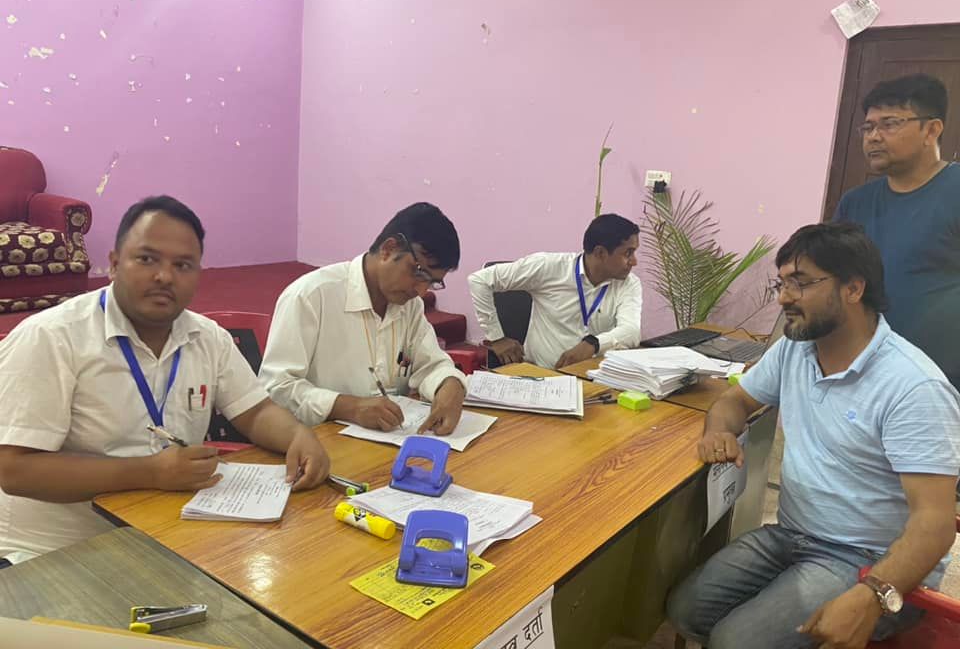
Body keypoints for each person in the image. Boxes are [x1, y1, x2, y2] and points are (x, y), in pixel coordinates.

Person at [667, 222, 960, 649]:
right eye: (782, 283)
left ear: (853, 288)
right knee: (685, 610)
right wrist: (719, 431)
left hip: (871, 559)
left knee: (736, 641)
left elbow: (935, 523)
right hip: (792, 533)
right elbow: (735, 401)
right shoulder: (796, 349)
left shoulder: (914, 387)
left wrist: (872, 595)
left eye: (801, 283)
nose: (784, 297)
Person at [0, 196, 330, 565]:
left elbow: (255, 412)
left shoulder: (208, 337)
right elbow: (14, 470)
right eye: (147, 259)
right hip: (50, 554)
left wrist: (298, 436)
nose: (165, 277)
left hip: (165, 536)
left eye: (183, 265)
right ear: (113, 264)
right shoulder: (51, 337)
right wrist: (150, 472)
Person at [260, 202, 467, 435]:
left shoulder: (409, 306)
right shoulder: (311, 296)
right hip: (316, 442)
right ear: (388, 249)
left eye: (432, 282)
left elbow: (431, 363)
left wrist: (449, 385)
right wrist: (348, 407)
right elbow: (276, 388)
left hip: (389, 443)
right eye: (419, 273)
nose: (420, 291)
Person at [834, 73, 960, 393]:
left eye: (889, 124)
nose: (873, 137)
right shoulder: (854, 203)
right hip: (863, 376)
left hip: (942, 384)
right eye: (868, 127)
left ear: (931, 130)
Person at [467, 213, 642, 369]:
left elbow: (631, 331)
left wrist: (593, 344)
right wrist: (497, 338)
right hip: (542, 374)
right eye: (628, 253)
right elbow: (479, 281)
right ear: (600, 253)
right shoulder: (548, 267)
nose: (634, 262)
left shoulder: (629, 284)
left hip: (596, 378)